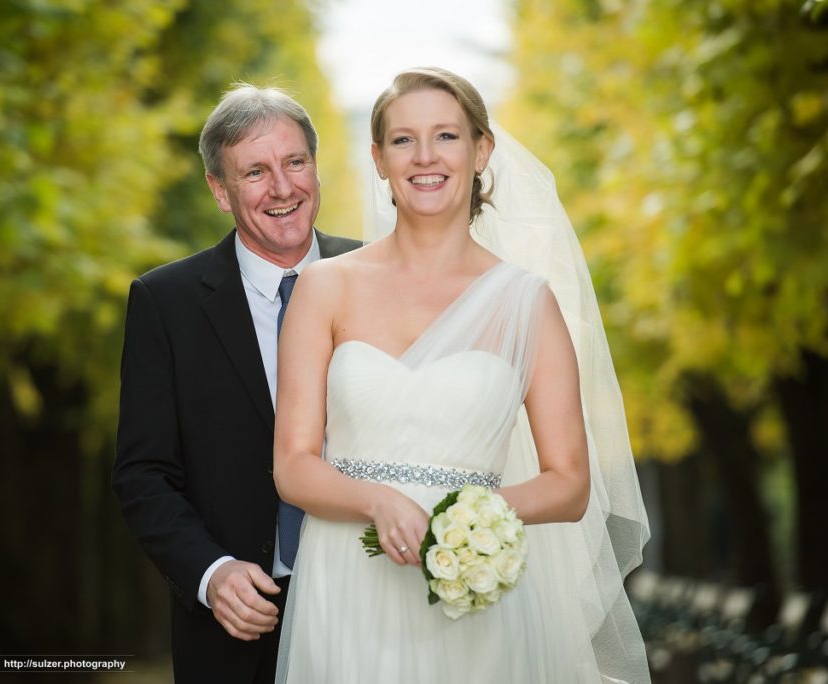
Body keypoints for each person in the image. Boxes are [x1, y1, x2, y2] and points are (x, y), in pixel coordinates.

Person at [273, 67, 651, 683]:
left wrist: (470, 524)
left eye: (446, 136)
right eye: (403, 140)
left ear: (481, 150)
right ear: (378, 158)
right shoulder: (323, 287)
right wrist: (376, 500)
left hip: (478, 588)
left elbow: (569, 481)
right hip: (347, 582)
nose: (425, 157)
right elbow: (291, 463)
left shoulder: (527, 302)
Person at [112, 84, 359, 683]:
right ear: (219, 191)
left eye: (295, 162)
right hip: (237, 627)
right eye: (255, 171)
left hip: (371, 606)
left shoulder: (379, 278)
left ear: (315, 168)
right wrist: (210, 572)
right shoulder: (163, 302)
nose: (282, 188)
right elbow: (143, 474)